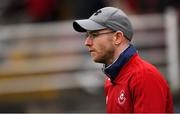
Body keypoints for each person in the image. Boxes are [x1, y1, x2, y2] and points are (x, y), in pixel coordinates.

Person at [72, 7, 173, 113]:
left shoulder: (144, 76)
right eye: (87, 36)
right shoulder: (111, 80)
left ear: (118, 37)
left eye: (94, 35)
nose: (87, 42)